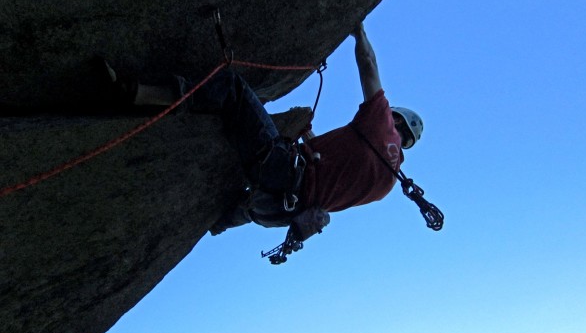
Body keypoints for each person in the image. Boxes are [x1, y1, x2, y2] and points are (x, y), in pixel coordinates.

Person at [105, 23, 424, 246]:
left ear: (396, 119)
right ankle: (216, 224)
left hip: (283, 173)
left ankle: (141, 94)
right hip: (280, 210)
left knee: (232, 88)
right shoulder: (385, 185)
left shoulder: (381, 125)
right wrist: (309, 136)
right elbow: (329, 185)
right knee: (234, 207)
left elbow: (368, 64)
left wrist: (359, 28)